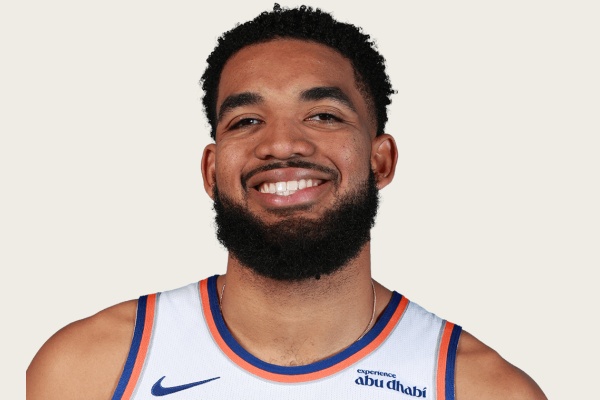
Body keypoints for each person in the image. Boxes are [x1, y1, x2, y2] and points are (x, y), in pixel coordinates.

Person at [27, 5, 546, 399]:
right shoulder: (88, 371)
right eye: (247, 121)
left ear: (381, 161)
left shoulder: (483, 390)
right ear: (211, 170)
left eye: (323, 116)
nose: (280, 144)